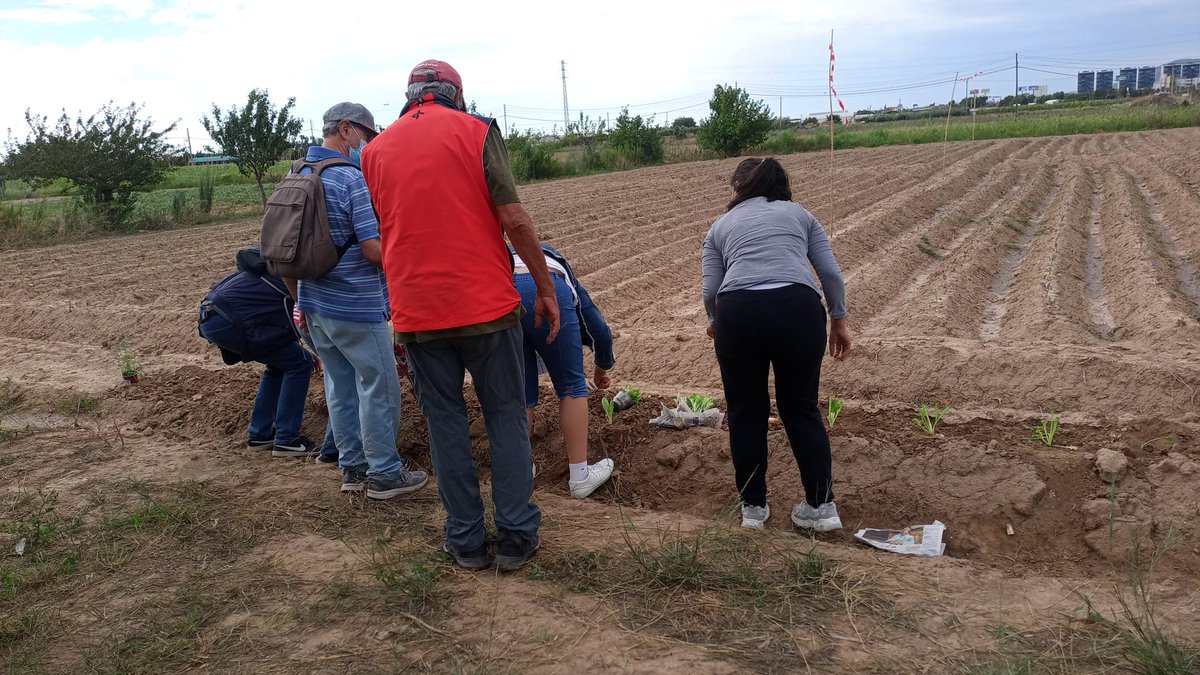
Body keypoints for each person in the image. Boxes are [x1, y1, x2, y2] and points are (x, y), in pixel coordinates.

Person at [361, 60, 560, 571]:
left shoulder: (374, 151)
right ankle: (516, 536)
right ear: (455, 94)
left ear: (411, 95)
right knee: (505, 418)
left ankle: (466, 541)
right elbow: (512, 217)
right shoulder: (477, 132)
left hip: (417, 314)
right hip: (486, 309)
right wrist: (544, 287)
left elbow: (388, 227)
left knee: (445, 424)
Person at [701, 157, 851, 532]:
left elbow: (710, 291)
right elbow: (830, 273)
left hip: (739, 312)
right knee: (801, 409)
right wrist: (839, 320)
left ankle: (753, 509)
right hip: (798, 310)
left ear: (738, 188)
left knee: (746, 411)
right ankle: (822, 508)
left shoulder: (720, 226)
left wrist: (717, 323)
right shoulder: (801, 215)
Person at [289, 102, 427, 501]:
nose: (369, 145)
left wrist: (299, 302)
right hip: (355, 304)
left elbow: (283, 248)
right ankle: (385, 473)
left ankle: (352, 468)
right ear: (346, 130)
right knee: (380, 386)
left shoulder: (298, 172)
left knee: (341, 386)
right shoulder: (350, 179)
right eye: (367, 136)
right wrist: (411, 257)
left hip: (314, 303)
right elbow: (371, 250)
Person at [512, 243, 615, 498]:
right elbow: (598, 331)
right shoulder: (552, 258)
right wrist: (601, 370)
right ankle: (580, 477)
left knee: (519, 388)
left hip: (503, 292)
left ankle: (520, 473)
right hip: (548, 288)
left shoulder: (501, 253)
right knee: (571, 385)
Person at [198, 246, 314, 456]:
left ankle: (260, 434)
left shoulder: (269, 266)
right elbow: (300, 317)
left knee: (280, 364)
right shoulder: (293, 277)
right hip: (229, 319)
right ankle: (287, 438)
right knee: (301, 362)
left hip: (211, 314)